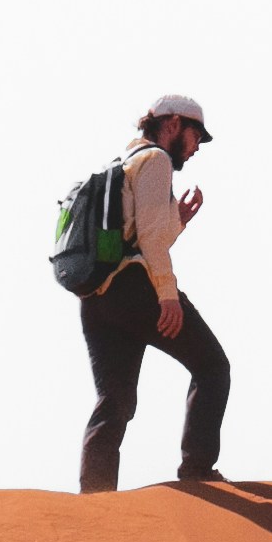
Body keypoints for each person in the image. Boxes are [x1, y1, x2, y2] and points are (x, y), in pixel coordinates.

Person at [75, 91, 231, 491]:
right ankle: (197, 470)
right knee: (213, 367)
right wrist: (167, 296)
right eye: (197, 136)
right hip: (136, 292)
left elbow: (140, 237)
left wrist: (177, 220)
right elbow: (149, 241)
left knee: (115, 400)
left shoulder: (123, 162)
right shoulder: (156, 160)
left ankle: (95, 495)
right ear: (173, 124)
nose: (196, 148)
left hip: (97, 298)